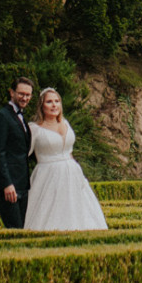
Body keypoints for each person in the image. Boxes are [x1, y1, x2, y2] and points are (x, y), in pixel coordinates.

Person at [22, 87, 108, 231]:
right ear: (41, 106)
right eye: (49, 102)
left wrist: (80, 175)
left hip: (73, 173)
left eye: (57, 101)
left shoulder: (65, 123)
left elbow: (69, 151)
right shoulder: (34, 129)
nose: (54, 105)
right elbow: (21, 153)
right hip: (48, 175)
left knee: (80, 211)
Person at [0, 75, 33, 229]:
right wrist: (7, 184)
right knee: (15, 229)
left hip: (22, 184)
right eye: (21, 93)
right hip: (9, 186)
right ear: (11, 92)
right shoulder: (2, 116)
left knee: (22, 228)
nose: (25, 98)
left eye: (28, 95)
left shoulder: (21, 117)